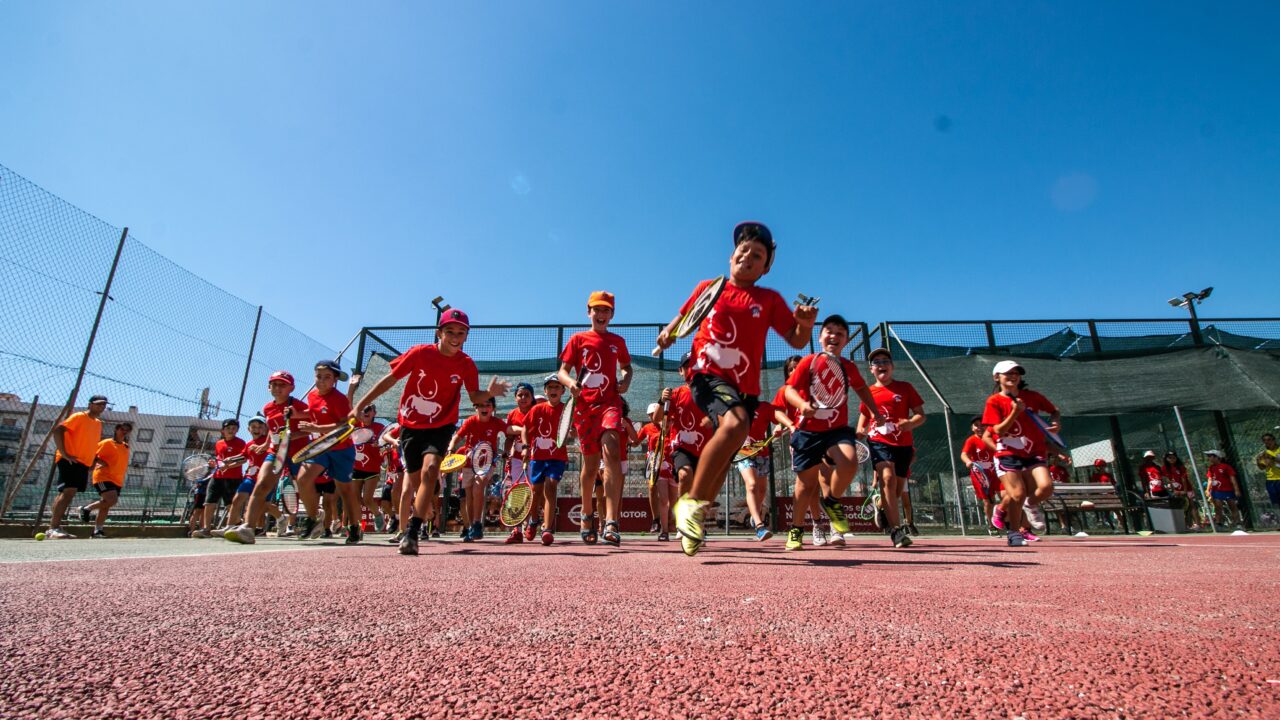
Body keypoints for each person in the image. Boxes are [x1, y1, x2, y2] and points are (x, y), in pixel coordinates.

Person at [657, 222, 820, 557]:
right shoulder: (709, 287)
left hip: (745, 390)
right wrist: (669, 333)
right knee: (736, 423)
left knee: (724, 458)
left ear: (766, 267)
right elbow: (685, 316)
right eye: (743, 250)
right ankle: (689, 505)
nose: (748, 256)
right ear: (732, 256)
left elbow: (796, 339)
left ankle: (694, 522)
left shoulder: (769, 299)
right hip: (706, 375)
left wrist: (805, 323)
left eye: (757, 255)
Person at [349, 308, 509, 556]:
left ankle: (412, 533)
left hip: (442, 426)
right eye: (450, 331)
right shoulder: (420, 353)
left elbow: (475, 396)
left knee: (432, 469)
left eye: (461, 333)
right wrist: (360, 404)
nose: (455, 337)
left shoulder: (466, 364)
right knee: (417, 483)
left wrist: (489, 393)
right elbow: (390, 379)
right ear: (439, 333)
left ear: (466, 336)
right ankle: (425, 508)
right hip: (410, 427)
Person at [784, 317, 885, 550]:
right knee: (805, 486)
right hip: (808, 432)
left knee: (849, 461)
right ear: (820, 337)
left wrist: (875, 411)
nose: (834, 336)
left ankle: (831, 501)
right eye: (829, 331)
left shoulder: (848, 366)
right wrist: (802, 404)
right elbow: (789, 390)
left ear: (846, 340)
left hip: (836, 430)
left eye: (840, 333)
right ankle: (796, 530)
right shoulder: (808, 362)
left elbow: (861, 388)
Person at [558, 291, 632, 547]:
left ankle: (611, 521)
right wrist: (570, 384)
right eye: (597, 309)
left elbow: (627, 367)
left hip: (610, 404)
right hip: (584, 409)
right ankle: (586, 514)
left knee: (612, 449)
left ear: (612, 315)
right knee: (590, 467)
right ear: (588, 312)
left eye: (606, 310)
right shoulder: (578, 339)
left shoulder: (617, 341)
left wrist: (626, 379)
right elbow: (562, 371)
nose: (601, 314)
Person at [224, 371, 311, 544]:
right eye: (274, 384)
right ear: (269, 387)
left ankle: (316, 515)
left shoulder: (299, 405)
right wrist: (265, 445)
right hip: (276, 452)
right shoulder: (267, 408)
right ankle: (247, 528)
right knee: (262, 484)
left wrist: (292, 436)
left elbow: (312, 426)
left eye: (282, 385)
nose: (278, 388)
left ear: (291, 388)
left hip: (298, 453)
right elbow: (272, 429)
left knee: (304, 488)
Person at [982, 360, 1061, 547]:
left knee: (1046, 487)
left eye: (1016, 373)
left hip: (1033, 451)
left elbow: (1054, 410)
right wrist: (1015, 412)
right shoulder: (994, 401)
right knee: (1017, 494)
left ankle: (1030, 504)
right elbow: (998, 431)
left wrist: (1055, 423)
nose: (1013, 376)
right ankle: (1014, 533)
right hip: (1008, 452)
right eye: (1008, 373)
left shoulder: (1032, 397)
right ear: (997, 377)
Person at [857, 347, 925, 546]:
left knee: (895, 490)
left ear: (892, 366)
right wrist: (861, 431)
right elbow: (862, 422)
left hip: (903, 445)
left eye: (885, 361)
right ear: (871, 369)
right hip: (878, 442)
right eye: (876, 362)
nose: (881, 365)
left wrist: (910, 423)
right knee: (887, 478)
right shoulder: (868, 392)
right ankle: (896, 531)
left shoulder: (905, 388)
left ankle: (879, 504)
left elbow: (921, 415)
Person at [656, 353, 711, 540]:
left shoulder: (711, 394)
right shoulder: (676, 394)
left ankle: (697, 525)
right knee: (685, 475)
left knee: (701, 489)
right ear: (681, 371)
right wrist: (661, 401)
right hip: (682, 446)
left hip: (706, 448)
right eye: (687, 366)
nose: (692, 368)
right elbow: (657, 418)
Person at [46, 394, 108, 538]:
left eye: (104, 405)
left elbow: (91, 443)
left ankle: (54, 526)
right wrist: (64, 453)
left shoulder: (98, 423)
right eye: (98, 404)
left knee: (67, 493)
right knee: (68, 492)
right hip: (71, 460)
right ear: (90, 405)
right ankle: (53, 528)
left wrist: (92, 461)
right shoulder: (79, 416)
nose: (101, 407)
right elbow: (58, 430)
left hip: (83, 463)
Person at [521, 375, 570, 545]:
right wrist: (525, 446)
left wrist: (573, 434)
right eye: (550, 387)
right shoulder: (537, 409)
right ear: (545, 391)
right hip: (537, 457)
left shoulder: (567, 410)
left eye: (557, 387)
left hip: (557, 457)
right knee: (536, 491)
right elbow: (525, 428)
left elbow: (575, 428)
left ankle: (547, 529)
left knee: (551, 486)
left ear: (563, 391)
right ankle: (534, 520)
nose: (553, 390)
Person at [448, 397, 507, 542]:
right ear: (476, 408)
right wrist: (451, 449)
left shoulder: (496, 422)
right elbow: (457, 436)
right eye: (481, 405)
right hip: (468, 464)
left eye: (488, 405)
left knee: (478, 485)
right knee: (468, 496)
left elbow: (509, 430)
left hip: (486, 463)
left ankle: (476, 523)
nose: (484, 408)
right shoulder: (470, 421)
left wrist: (521, 430)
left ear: (493, 408)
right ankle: (470, 527)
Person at [77, 421, 133, 538]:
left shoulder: (125, 446)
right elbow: (92, 453)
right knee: (112, 500)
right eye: (122, 429)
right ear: (116, 429)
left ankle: (98, 531)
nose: (124, 432)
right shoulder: (106, 443)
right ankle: (86, 508)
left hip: (117, 479)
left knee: (106, 504)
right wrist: (100, 461)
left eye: (127, 430)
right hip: (103, 476)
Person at [196, 419, 247, 538]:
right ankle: (206, 529)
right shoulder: (218, 443)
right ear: (222, 430)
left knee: (230, 505)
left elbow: (243, 459)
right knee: (209, 502)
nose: (231, 430)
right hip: (217, 477)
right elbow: (219, 459)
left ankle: (237, 524)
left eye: (234, 428)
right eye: (228, 428)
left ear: (237, 430)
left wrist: (228, 466)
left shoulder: (241, 443)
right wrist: (214, 464)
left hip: (233, 478)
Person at [639, 400, 676, 541]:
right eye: (650, 414)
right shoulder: (647, 428)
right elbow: (636, 441)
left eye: (655, 414)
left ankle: (672, 522)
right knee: (653, 489)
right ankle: (657, 521)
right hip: (654, 463)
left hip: (671, 464)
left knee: (673, 497)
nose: (652, 417)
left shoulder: (670, 427)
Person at [503, 383, 536, 541]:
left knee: (532, 492)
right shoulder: (512, 414)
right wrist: (506, 451)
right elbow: (509, 436)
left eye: (527, 395)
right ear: (515, 397)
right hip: (517, 459)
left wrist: (528, 449)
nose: (523, 398)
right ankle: (516, 530)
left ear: (532, 397)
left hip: (535, 457)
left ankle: (530, 524)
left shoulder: (536, 411)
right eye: (520, 395)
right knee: (517, 492)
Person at [960, 416, 1000, 534]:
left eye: (982, 425)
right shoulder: (971, 440)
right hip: (980, 475)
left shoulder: (993, 438)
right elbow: (964, 454)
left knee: (1006, 496)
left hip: (997, 472)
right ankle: (991, 525)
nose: (980, 427)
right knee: (988, 501)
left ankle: (1008, 523)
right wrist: (968, 461)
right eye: (976, 425)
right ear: (972, 428)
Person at [351, 404, 387, 532]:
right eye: (363, 410)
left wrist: (380, 445)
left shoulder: (380, 428)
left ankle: (377, 514)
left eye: (369, 410)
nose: (365, 412)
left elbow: (386, 444)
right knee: (355, 499)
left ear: (374, 414)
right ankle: (357, 528)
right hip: (355, 467)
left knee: (367, 499)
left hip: (372, 468)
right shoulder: (354, 426)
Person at [1204, 450, 1242, 527]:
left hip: (1228, 490)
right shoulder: (1211, 468)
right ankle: (1219, 523)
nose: (1208, 458)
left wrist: (1236, 490)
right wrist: (1208, 490)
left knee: (1232, 506)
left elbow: (1233, 478)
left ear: (1217, 457)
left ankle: (1237, 523)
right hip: (1216, 491)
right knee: (1218, 507)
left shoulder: (1226, 467)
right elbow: (1210, 479)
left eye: (1210, 456)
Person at [1162, 450, 1197, 530]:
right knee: (1181, 508)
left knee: (1192, 506)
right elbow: (1167, 480)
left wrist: (1184, 491)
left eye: (1173, 457)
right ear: (1166, 459)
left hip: (1187, 489)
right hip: (1176, 491)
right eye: (1169, 458)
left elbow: (1184, 479)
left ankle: (1197, 524)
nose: (1172, 459)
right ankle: (1185, 525)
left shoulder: (1180, 467)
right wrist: (1173, 490)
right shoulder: (1164, 468)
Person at [1256, 433, 1280, 514]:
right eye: (1264, 440)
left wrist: (1272, 457)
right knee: (1276, 503)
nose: (1267, 442)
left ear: (1274, 440)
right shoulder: (1264, 453)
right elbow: (1262, 467)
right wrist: (1258, 461)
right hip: (1271, 480)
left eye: (1269, 440)